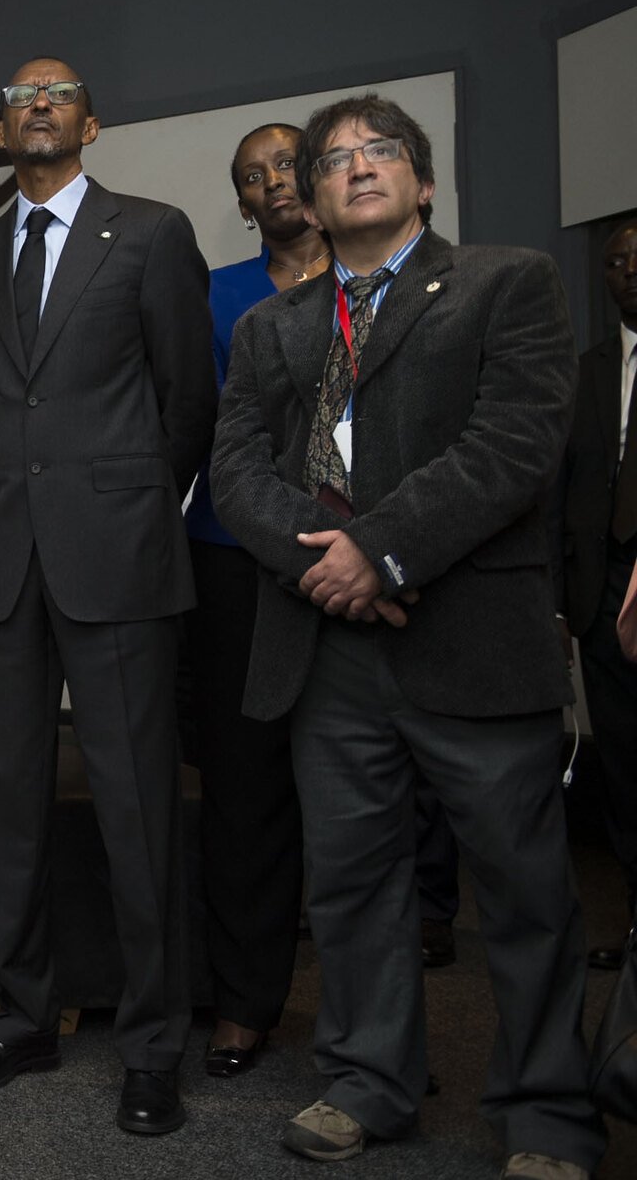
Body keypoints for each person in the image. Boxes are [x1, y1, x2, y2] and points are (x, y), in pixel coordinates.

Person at [211, 93, 603, 1178]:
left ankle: (544, 1115)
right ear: (312, 198)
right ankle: (368, 1083)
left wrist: (377, 550)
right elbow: (235, 471)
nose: (355, 167)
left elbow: (514, 443)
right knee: (350, 883)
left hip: (470, 633)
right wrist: (319, 566)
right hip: (326, 651)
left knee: (522, 892)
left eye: (379, 151)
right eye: (332, 160)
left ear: (421, 182)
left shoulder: (503, 282)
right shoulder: (269, 327)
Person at [0, 57, 214, 1136]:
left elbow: (186, 395)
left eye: (53, 93)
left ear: (89, 124)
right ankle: (19, 1015)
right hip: (6, 560)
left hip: (120, 553)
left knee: (136, 805)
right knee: (4, 799)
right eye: (13, 95)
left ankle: (151, 1046)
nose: (33, 104)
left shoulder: (148, 232)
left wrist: (133, 499)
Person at [180, 123, 321, 1078]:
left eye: (286, 163)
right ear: (241, 203)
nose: (272, 181)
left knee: (360, 791)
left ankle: (375, 1027)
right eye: (252, 176)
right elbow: (195, 427)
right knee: (242, 790)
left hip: (355, 561)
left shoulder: (384, 285)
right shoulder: (219, 296)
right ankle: (243, 1003)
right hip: (232, 564)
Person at [561, 215, 637, 970]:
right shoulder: (584, 371)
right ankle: (635, 921)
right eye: (617, 262)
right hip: (598, 591)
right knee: (623, 764)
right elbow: (562, 493)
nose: (629, 271)